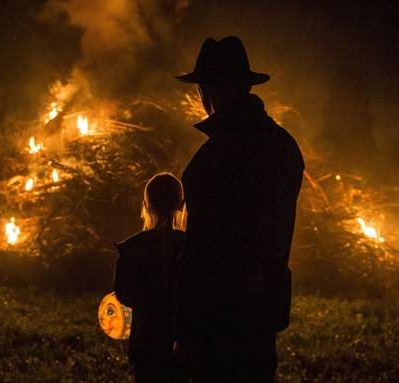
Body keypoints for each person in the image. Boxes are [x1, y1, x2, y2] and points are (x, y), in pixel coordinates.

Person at [174, 36, 305, 382]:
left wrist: (180, 319)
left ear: (207, 91)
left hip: (214, 317)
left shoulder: (213, 159)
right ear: (246, 86)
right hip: (261, 310)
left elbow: (200, 247)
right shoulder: (283, 145)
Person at [114, 173, 189, 383]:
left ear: (146, 205)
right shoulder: (190, 246)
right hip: (181, 342)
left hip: (146, 340)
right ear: (181, 205)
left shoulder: (134, 247)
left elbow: (124, 293)